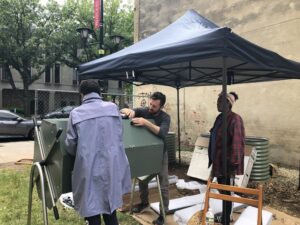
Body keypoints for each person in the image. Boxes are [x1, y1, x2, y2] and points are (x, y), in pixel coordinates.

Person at [65, 80, 131, 225]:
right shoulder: (113, 108)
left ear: (82, 94)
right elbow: (119, 134)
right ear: (100, 92)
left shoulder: (76, 113)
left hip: (88, 168)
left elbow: (70, 145)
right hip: (112, 165)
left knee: (91, 208)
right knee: (110, 207)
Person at [120, 92, 170, 225]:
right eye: (150, 103)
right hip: (145, 151)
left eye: (154, 106)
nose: (150, 107)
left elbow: (162, 132)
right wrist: (129, 111)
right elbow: (132, 111)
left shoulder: (165, 118)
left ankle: (163, 213)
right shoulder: (145, 111)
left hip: (160, 152)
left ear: (161, 106)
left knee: (163, 183)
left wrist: (145, 122)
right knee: (142, 179)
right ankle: (144, 203)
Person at [208, 91, 245, 225]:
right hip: (218, 162)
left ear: (228, 104)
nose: (217, 103)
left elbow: (237, 143)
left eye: (220, 101)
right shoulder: (219, 118)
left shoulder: (235, 119)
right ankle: (224, 216)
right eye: (217, 101)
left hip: (227, 165)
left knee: (227, 193)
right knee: (223, 191)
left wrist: (233, 166)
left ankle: (226, 220)